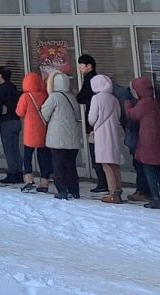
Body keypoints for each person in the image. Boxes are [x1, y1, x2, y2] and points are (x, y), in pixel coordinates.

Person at [125, 76, 160, 209]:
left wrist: (127, 103)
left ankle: (155, 197)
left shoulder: (144, 103)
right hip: (156, 140)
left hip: (147, 141)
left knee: (149, 170)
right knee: (157, 171)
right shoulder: (154, 101)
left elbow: (132, 115)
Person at [41, 70, 83, 199]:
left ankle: (62, 190)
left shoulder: (54, 97)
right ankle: (74, 190)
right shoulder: (72, 97)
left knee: (58, 164)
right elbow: (77, 115)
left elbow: (44, 114)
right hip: (72, 137)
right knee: (71, 164)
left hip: (57, 137)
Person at [87, 74, 125, 203]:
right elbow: (119, 115)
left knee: (106, 164)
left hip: (102, 133)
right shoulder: (114, 99)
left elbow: (92, 119)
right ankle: (118, 190)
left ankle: (112, 192)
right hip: (114, 132)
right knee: (114, 164)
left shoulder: (96, 98)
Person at [76, 55, 107, 193]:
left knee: (95, 152)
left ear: (89, 66)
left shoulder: (90, 80)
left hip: (94, 122)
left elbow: (81, 97)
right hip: (104, 124)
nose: (80, 68)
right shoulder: (107, 95)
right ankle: (106, 181)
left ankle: (103, 182)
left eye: (82, 65)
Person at [16, 71, 51, 193]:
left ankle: (29, 179)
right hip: (43, 130)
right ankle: (45, 181)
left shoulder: (25, 97)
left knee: (27, 156)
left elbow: (19, 112)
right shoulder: (44, 95)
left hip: (30, 131)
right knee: (44, 157)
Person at [0, 66, 23, 185]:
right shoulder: (13, 88)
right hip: (16, 120)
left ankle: (12, 173)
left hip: (6, 122)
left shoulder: (0, 90)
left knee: (9, 149)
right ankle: (19, 172)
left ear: (0, 76)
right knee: (15, 148)